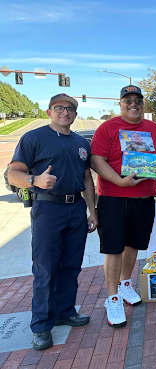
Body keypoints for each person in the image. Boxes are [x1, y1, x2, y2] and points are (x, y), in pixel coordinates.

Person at [90, 85, 156, 328]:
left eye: (137, 100)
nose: (133, 104)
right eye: (127, 100)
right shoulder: (107, 128)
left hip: (144, 198)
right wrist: (119, 181)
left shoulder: (153, 129)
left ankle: (126, 285)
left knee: (134, 245)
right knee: (113, 248)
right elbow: (96, 160)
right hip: (114, 198)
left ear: (142, 104)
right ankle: (113, 298)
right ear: (120, 103)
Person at [8, 94, 98, 350]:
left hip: (76, 209)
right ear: (49, 112)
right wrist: (34, 181)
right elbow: (13, 173)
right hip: (48, 208)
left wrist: (93, 211)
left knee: (71, 265)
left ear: (75, 115)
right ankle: (41, 325)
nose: (65, 112)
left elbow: (87, 179)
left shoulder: (81, 142)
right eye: (59, 108)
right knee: (45, 268)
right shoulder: (33, 138)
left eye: (70, 109)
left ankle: (65, 311)